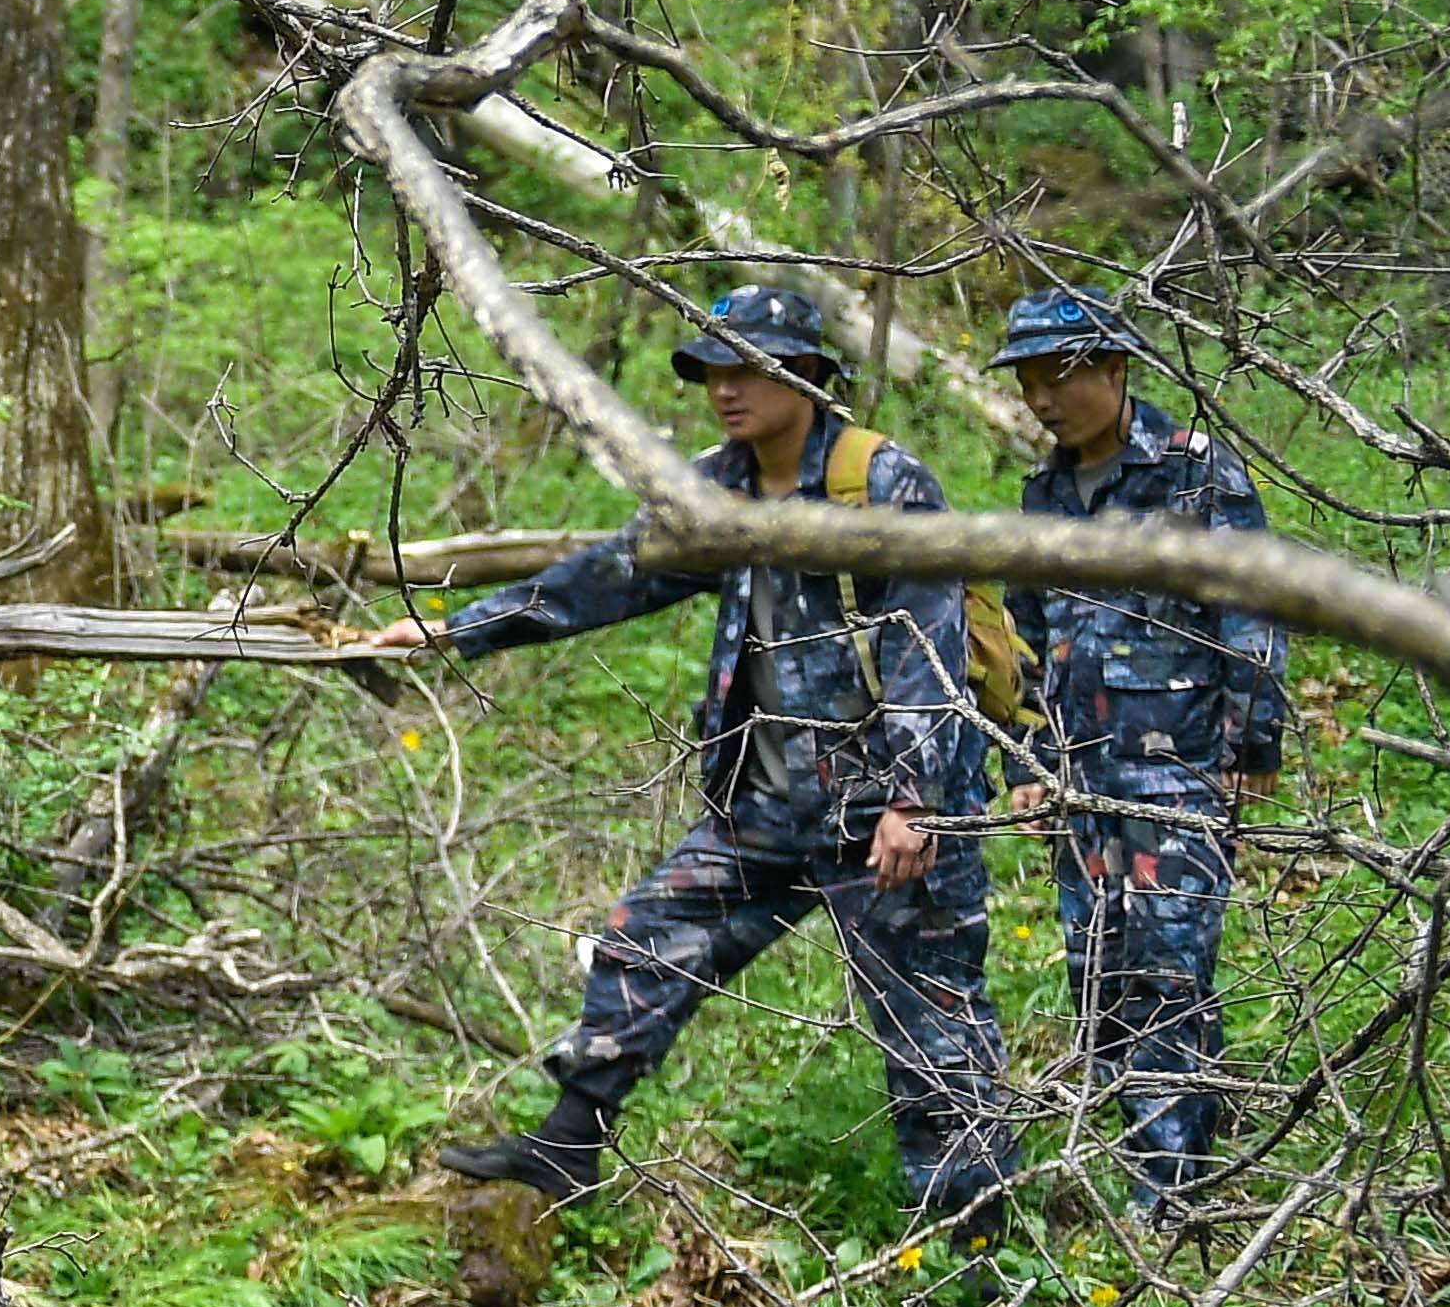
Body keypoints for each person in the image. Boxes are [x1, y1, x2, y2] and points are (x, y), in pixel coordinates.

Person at [357, 282, 1021, 1242]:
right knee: (646, 933)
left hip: (887, 814)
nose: (724, 389)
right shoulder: (718, 489)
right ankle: (569, 1143)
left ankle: (977, 1259)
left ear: (807, 373)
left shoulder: (880, 485)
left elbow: (930, 646)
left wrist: (914, 803)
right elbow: (606, 577)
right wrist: (450, 632)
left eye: (746, 368)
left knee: (934, 1039)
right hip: (767, 802)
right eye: (711, 370)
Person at [998, 284, 1285, 1212]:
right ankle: (1152, 1156)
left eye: (1057, 378)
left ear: (1114, 369)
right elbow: (1023, 639)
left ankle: (1169, 1207)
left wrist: (1253, 744)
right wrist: (1027, 765)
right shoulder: (1043, 495)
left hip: (1181, 774)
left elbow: (1254, 610)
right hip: (1080, 778)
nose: (1041, 399)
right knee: (1100, 980)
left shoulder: (1193, 474)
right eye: (1028, 382)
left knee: (1168, 974)